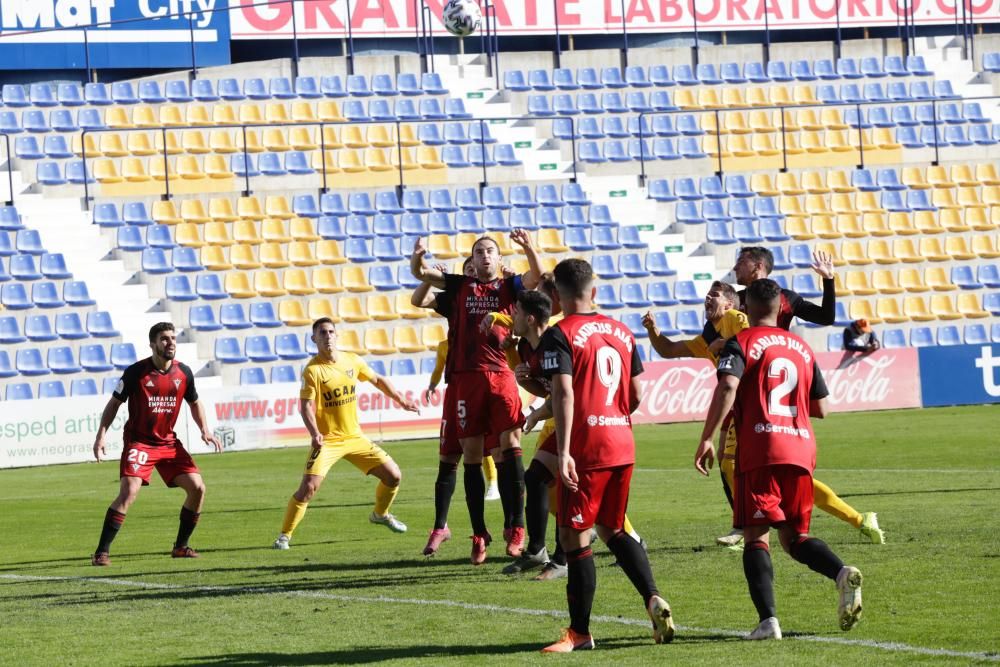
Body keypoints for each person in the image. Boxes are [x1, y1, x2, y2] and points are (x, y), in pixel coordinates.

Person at [694, 278, 864, 640]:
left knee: (756, 535)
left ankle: (768, 621)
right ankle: (840, 573)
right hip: (801, 448)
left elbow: (727, 386)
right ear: (779, 307)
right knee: (794, 537)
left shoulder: (742, 341)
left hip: (761, 448)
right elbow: (822, 408)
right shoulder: (801, 347)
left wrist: (708, 437)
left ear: (748, 308)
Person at [540, 258, 674, 652]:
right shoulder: (620, 330)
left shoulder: (559, 333)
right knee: (613, 528)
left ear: (556, 295)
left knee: (573, 536)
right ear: (593, 290)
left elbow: (562, 393)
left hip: (588, 447)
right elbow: (635, 396)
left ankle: (579, 633)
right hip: (622, 442)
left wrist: (563, 450)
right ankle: (652, 597)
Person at [723, 246, 884, 546]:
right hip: (746, 386)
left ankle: (750, 527)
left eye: (741, 260)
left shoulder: (782, 298)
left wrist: (829, 281)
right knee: (729, 459)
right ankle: (745, 524)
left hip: (774, 386)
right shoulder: (732, 297)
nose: (735, 266)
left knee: (743, 460)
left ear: (758, 265)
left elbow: (825, 316)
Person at [492, 281, 644, 580]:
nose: (512, 316)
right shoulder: (526, 347)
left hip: (586, 427)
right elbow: (551, 391)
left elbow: (567, 396)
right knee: (536, 478)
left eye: (517, 312)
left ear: (532, 319)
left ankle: (565, 559)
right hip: (569, 424)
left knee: (574, 494)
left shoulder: (555, 341)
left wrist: (536, 412)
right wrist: (526, 382)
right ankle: (538, 551)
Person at [410, 230, 542, 564]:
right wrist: (419, 259)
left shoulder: (508, 288)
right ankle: (479, 533)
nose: (484, 255)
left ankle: (516, 526)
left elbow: (536, 277)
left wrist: (528, 248)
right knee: (470, 455)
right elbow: (420, 277)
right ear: (472, 259)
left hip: (500, 377)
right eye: (479, 251)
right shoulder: (459, 286)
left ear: (499, 260)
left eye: (490, 251)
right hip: (466, 381)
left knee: (511, 447)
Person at [272, 317, 420, 550]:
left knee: (394, 476)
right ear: (314, 339)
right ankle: (284, 536)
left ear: (337, 335)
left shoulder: (352, 360)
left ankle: (380, 514)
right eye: (322, 332)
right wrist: (314, 433)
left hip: (354, 437)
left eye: (331, 331)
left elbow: (378, 380)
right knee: (308, 487)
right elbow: (305, 406)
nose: (328, 336)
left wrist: (401, 400)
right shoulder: (313, 370)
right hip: (327, 440)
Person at [91, 322, 222, 566]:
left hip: (168, 443)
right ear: (152, 344)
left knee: (198, 488)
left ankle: (181, 547)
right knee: (129, 492)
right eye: (164, 339)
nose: (170, 342)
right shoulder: (135, 372)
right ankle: (101, 552)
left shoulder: (184, 373)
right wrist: (101, 434)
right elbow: (114, 404)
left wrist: (204, 430)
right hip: (139, 442)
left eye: (173, 338)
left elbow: (194, 402)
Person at [423, 258, 501, 505]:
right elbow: (419, 301)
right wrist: (429, 276)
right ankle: (446, 523)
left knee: (491, 444)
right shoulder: (455, 303)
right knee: (465, 446)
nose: (471, 273)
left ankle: (497, 487)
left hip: (491, 377)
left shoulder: (499, 295)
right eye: (466, 270)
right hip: (459, 383)